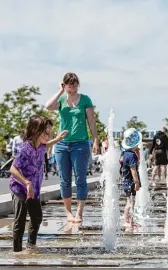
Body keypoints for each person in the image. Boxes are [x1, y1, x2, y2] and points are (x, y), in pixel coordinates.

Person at [9, 115, 68, 254]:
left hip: (33, 189)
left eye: (50, 133)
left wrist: (57, 139)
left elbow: (46, 145)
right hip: (19, 188)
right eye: (46, 133)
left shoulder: (41, 146)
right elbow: (13, 168)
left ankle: (31, 245)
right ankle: (17, 251)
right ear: (36, 131)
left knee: (36, 217)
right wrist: (26, 182)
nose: (48, 136)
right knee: (20, 219)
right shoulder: (25, 149)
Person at [45, 72, 99, 223]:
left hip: (81, 144)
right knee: (64, 180)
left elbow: (91, 121)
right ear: (64, 85)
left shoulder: (85, 99)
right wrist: (60, 91)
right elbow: (48, 106)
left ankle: (79, 213)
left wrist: (95, 139)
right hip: (62, 144)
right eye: (69, 84)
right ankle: (68, 212)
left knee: (81, 179)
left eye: (75, 84)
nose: (73, 87)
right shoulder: (61, 99)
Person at [121, 128, 141, 228]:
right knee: (130, 202)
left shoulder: (125, 153)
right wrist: (137, 182)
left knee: (131, 202)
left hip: (126, 181)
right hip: (131, 182)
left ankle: (131, 221)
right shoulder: (132, 155)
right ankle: (127, 221)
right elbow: (133, 170)